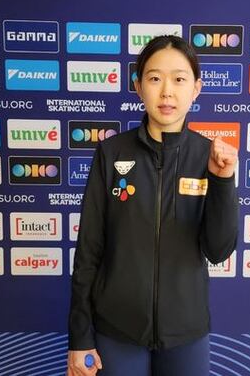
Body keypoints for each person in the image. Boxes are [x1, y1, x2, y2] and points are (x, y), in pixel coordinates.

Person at [66, 35, 239, 376]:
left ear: (196, 88)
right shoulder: (111, 153)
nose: (167, 92)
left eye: (179, 79)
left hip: (186, 333)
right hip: (117, 330)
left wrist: (222, 180)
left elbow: (219, 250)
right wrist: (80, 336)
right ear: (138, 86)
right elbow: (88, 251)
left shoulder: (209, 157)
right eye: (155, 78)